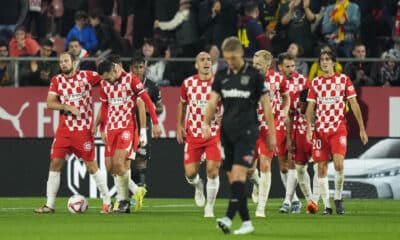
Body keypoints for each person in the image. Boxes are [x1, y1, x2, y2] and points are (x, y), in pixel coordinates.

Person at [202, 36, 276, 235]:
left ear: (241, 54)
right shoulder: (222, 76)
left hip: (248, 132)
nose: (231, 62)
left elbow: (267, 106)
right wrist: (205, 123)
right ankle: (245, 222)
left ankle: (228, 217)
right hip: (227, 133)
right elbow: (212, 102)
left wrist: (272, 133)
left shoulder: (254, 76)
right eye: (227, 58)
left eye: (233, 58)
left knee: (238, 176)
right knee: (233, 179)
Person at [34, 52, 112, 214]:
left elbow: (106, 76)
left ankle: (107, 201)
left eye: (66, 61)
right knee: (55, 163)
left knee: (92, 166)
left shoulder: (87, 76)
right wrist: (66, 107)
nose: (63, 64)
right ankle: (49, 205)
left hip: (83, 131)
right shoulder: (57, 80)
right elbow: (50, 103)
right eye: (61, 61)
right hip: (64, 131)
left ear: (74, 62)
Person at [305, 50, 368, 215]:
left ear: (334, 62)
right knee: (321, 168)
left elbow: (354, 103)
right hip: (320, 130)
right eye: (322, 60)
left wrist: (362, 128)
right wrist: (310, 128)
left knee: (339, 164)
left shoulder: (344, 80)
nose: (324, 62)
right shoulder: (316, 82)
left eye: (327, 59)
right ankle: (327, 206)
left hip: (338, 128)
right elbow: (310, 108)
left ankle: (338, 197)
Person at [97, 59, 161, 213]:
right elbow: (105, 106)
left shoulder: (130, 80)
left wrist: (156, 122)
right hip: (111, 128)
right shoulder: (104, 83)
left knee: (120, 164)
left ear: (115, 69)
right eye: (104, 79)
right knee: (110, 167)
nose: (107, 81)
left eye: (108, 77)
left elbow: (146, 101)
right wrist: (102, 128)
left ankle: (123, 200)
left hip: (127, 127)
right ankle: (133, 193)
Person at [176, 51, 222, 218]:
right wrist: (179, 125)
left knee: (213, 170)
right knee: (190, 174)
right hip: (193, 133)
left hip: (213, 132)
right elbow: (182, 104)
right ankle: (198, 186)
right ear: (196, 65)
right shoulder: (188, 83)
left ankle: (209, 207)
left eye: (209, 59)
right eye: (202, 59)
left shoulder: (219, 82)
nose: (206, 62)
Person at [250, 50, 294, 216]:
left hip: (270, 125)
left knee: (265, 164)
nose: (254, 67)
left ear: (268, 65)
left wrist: (285, 110)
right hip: (251, 125)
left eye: (258, 64)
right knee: (249, 170)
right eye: (253, 64)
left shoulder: (278, 79)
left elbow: (286, 96)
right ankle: (256, 183)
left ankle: (261, 207)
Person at [276, 52, 316, 214]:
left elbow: (311, 105)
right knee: (283, 166)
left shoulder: (303, 82)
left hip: (296, 127)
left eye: (293, 66)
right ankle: (296, 200)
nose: (291, 69)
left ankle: (294, 201)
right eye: (287, 66)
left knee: (296, 164)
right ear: (280, 67)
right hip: (279, 126)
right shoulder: (274, 81)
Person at [130, 55, 164, 189]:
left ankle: (141, 185)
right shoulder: (124, 84)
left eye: (141, 67)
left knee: (141, 157)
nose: (138, 70)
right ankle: (131, 186)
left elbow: (160, 107)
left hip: (145, 126)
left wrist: (151, 109)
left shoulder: (152, 86)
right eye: (135, 67)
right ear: (130, 68)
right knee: (127, 160)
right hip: (128, 124)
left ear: (144, 68)